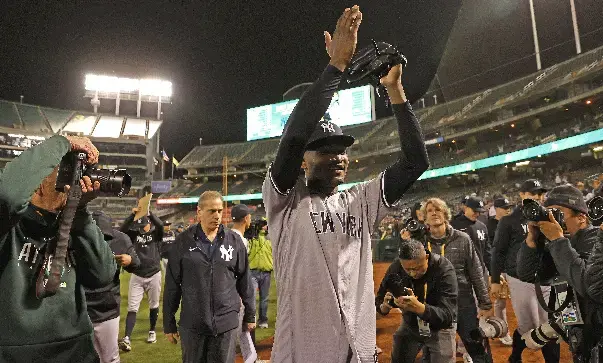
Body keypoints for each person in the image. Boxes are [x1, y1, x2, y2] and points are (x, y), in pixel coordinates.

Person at [262, 6, 430, 362]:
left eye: (341, 149)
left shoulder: (361, 199)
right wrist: (336, 65)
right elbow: (293, 138)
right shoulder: (285, 201)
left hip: (358, 349)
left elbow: (416, 161)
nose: (337, 156)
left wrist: (396, 91)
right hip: (303, 353)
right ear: (303, 161)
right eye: (324, 151)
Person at [0, 135, 116, 363]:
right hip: (17, 354)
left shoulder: (75, 222)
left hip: (77, 351)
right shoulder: (9, 224)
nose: (76, 177)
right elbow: (8, 195)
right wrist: (64, 142)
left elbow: (103, 275)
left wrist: (80, 211)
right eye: (67, 168)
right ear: (39, 181)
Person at [163, 191, 255, 363]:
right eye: (212, 211)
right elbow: (172, 285)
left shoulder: (233, 241)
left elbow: (245, 280)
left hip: (226, 323)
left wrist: (250, 313)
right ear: (199, 212)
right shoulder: (182, 242)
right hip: (193, 325)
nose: (217, 216)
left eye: (220, 211)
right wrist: (168, 322)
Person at [516, 185, 600, 362]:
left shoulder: (593, 239)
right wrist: (532, 241)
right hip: (577, 328)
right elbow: (528, 275)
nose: (552, 218)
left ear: (581, 218)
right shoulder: (558, 242)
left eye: (558, 213)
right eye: (548, 213)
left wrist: (557, 240)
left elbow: (586, 284)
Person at [490, 179, 558, 363]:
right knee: (528, 325)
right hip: (519, 278)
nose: (537, 197)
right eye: (532, 193)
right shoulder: (509, 220)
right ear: (521, 195)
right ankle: (515, 356)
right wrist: (495, 278)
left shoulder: (548, 216)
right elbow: (498, 251)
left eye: (540, 193)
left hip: (546, 278)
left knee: (550, 326)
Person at [420, 198, 493, 363]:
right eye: (429, 211)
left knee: (477, 346)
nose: (434, 213)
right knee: (432, 352)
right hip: (433, 306)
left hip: (463, 301)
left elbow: (476, 272)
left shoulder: (463, 239)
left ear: (445, 214)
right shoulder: (420, 242)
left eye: (438, 210)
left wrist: (485, 303)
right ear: (425, 218)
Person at [376, 239, 458, 363]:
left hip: (440, 328)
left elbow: (447, 316)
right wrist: (384, 307)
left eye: (418, 268)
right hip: (411, 324)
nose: (413, 273)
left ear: (426, 257)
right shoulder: (397, 266)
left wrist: (419, 307)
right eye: (407, 269)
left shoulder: (443, 268)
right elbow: (379, 299)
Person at [87, 211, 140, 363]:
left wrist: (130, 261)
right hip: (80, 309)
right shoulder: (76, 237)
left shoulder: (121, 239)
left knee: (110, 358)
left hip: (107, 308)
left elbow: (136, 265)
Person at [118, 207, 165, 351]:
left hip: (154, 274)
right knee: (132, 307)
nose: (140, 229)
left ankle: (152, 331)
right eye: (138, 226)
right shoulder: (134, 234)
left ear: (149, 222)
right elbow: (122, 229)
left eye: (142, 225)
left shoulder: (156, 234)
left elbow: (161, 225)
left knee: (154, 305)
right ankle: (127, 337)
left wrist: (150, 213)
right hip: (137, 275)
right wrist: (133, 214)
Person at [230, 204, 258, 363]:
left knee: (242, 334)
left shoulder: (228, 236)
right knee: (236, 335)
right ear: (246, 218)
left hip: (228, 293)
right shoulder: (239, 240)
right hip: (235, 295)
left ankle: (252, 358)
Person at [486, 197, 514, 346]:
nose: (508, 209)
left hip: (514, 267)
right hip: (500, 269)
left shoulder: (511, 222)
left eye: (509, 206)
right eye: (505, 207)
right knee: (500, 302)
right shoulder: (489, 225)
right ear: (496, 208)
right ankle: (504, 332)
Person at [450, 196, 491, 274]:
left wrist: (493, 272)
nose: (477, 214)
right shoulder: (454, 225)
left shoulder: (482, 227)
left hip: (480, 272)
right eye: (475, 211)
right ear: (466, 208)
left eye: (479, 212)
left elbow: (487, 252)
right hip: (461, 273)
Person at [247, 219, 273, 329]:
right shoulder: (252, 238)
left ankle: (263, 320)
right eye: (264, 225)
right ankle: (250, 320)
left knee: (264, 299)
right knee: (252, 298)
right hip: (253, 272)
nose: (266, 226)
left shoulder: (270, 238)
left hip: (266, 272)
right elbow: (247, 251)